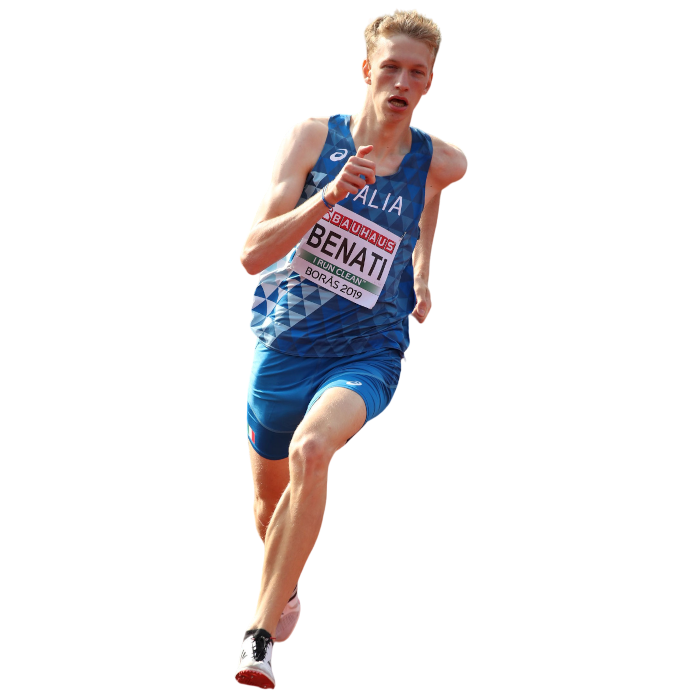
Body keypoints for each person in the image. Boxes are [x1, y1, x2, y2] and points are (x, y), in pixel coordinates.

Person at [235, 8, 468, 690]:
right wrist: (330, 197)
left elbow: (428, 201)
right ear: (367, 71)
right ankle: (284, 586)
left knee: (313, 449)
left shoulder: (444, 160)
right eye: (391, 68)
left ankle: (257, 634)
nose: (402, 82)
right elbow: (252, 255)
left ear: (429, 83)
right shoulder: (312, 138)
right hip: (285, 345)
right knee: (268, 507)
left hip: (369, 350)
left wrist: (422, 273)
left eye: (417, 73)